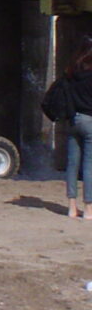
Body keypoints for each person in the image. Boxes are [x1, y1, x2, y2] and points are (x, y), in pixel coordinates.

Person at [64, 38, 92, 220]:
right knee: (89, 165)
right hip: (90, 120)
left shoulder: (70, 73)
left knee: (72, 164)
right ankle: (89, 209)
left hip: (73, 120)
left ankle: (71, 208)